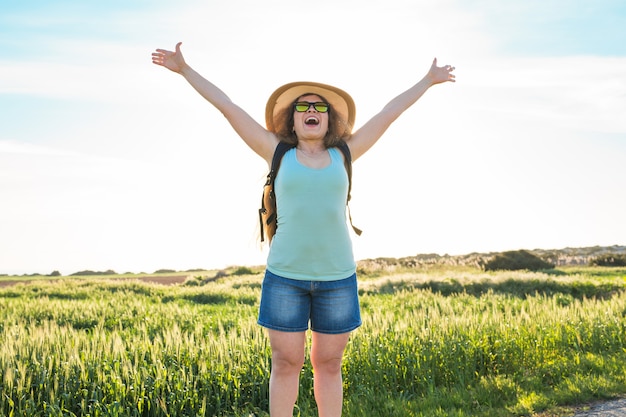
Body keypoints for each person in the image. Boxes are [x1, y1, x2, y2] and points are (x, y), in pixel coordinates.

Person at [151, 42, 455, 417]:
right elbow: (228, 106)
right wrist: (185, 70)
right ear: (292, 120)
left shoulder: (346, 153)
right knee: (286, 363)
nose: (312, 111)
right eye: (303, 107)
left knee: (328, 365)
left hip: (337, 279)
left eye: (319, 107)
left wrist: (427, 80)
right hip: (285, 278)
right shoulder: (275, 150)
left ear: (330, 119)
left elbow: (388, 113)